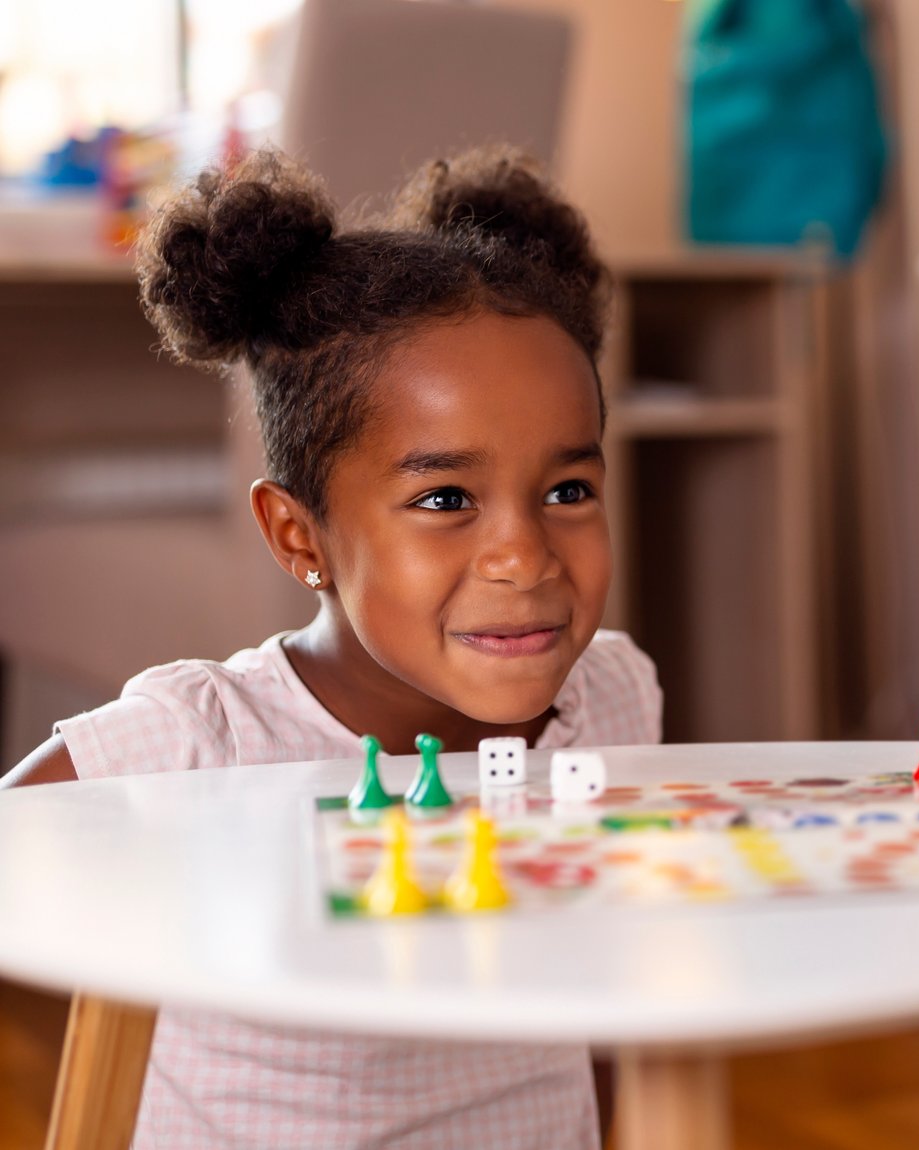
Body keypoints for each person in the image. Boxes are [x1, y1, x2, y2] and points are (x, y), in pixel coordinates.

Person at [7, 146, 659, 1148]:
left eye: (567, 490)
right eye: (445, 500)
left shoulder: (612, 697)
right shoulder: (198, 743)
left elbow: (611, 993)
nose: (525, 556)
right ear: (299, 537)